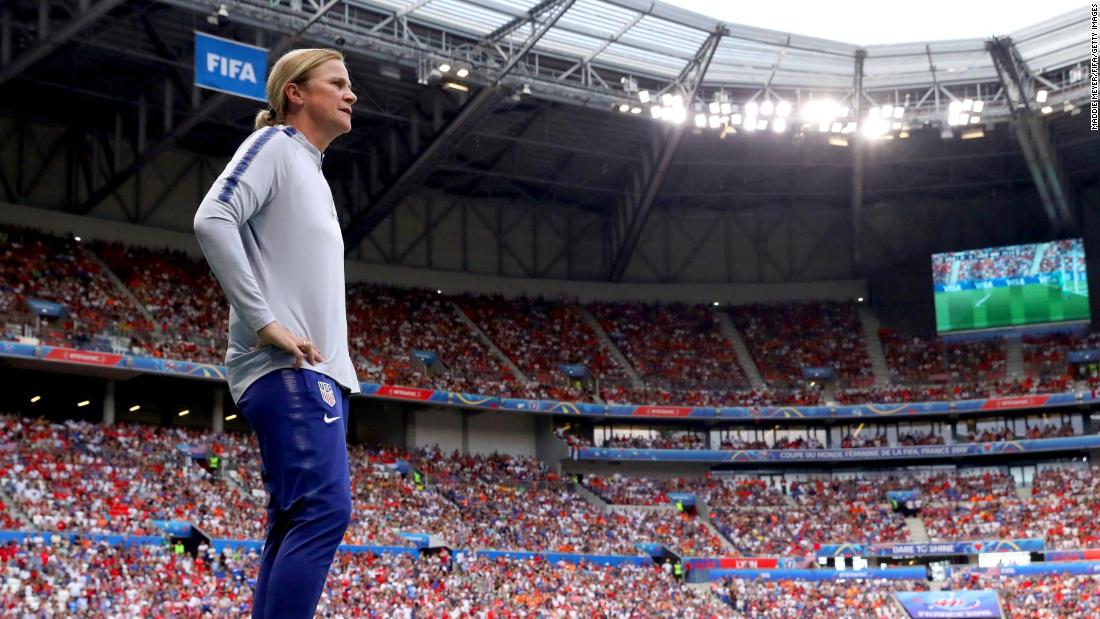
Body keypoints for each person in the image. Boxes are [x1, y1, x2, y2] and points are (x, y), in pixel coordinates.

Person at [193, 48, 359, 619]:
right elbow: (212, 217)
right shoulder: (275, 148)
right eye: (336, 83)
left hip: (312, 374)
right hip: (289, 371)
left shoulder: (308, 168)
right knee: (324, 509)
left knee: (296, 518)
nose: (350, 93)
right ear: (295, 92)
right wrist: (265, 321)